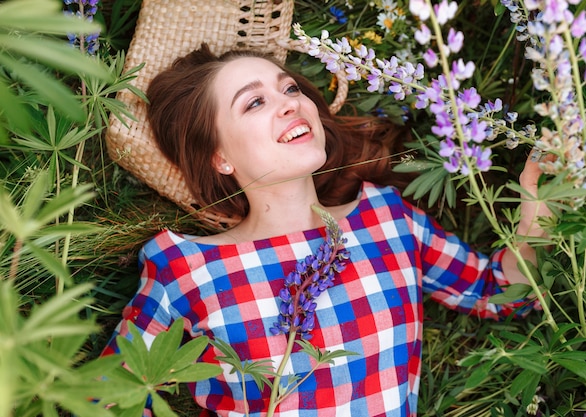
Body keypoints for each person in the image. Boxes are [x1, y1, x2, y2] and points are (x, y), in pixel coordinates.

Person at [103, 43, 549, 417]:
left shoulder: (388, 220)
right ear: (220, 157)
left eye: (290, 88)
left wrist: (537, 206)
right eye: (255, 102)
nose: (291, 103)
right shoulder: (185, 268)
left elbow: (502, 293)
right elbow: (108, 397)